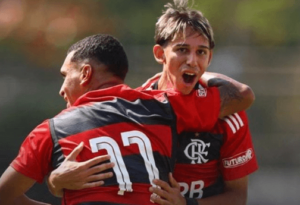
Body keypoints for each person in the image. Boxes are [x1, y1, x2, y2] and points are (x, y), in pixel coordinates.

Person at [47, 1, 258, 205]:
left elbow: (237, 197)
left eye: (201, 52)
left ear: (209, 58)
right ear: (160, 54)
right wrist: (56, 182)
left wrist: (187, 204)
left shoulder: (229, 114)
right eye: (182, 49)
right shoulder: (134, 107)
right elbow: (101, 176)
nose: (192, 60)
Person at [0, 33, 251, 205]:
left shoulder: (52, 130)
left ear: (86, 73)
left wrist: (55, 183)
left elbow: (4, 195)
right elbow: (241, 95)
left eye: (65, 75)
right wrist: (199, 69)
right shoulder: (165, 106)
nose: (61, 88)